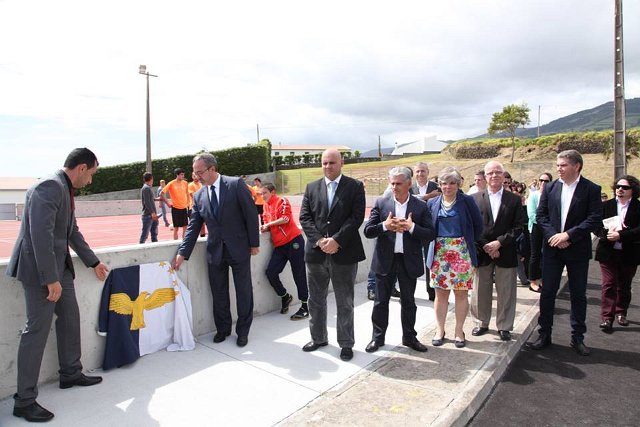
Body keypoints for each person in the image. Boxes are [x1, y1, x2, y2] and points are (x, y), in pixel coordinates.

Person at [6, 148, 109, 422]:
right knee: (36, 331)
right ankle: (24, 401)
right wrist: (49, 278)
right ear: (82, 168)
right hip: (40, 271)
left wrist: (93, 262)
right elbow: (40, 235)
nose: (90, 181)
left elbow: (70, 230)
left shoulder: (64, 189)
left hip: (59, 267)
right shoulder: (50, 186)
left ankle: (70, 373)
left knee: (70, 318)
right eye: (91, 174)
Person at [172, 153, 259, 347]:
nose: (196, 177)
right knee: (218, 293)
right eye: (194, 173)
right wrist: (182, 253)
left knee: (243, 291)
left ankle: (243, 331)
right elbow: (193, 227)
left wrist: (254, 244)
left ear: (212, 169)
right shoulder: (199, 195)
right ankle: (223, 329)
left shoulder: (235, 185)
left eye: (199, 172)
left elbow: (251, 214)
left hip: (239, 248)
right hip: (215, 252)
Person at [526, 150, 602, 356]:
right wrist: (555, 236)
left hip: (577, 249)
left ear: (577, 166)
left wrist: (568, 235)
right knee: (548, 293)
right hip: (552, 249)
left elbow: (594, 218)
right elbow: (541, 216)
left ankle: (577, 337)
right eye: (558, 165)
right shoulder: (550, 188)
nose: (559, 169)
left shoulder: (591, 189)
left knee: (578, 294)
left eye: (563, 165)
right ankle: (544, 334)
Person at [299, 148, 366, 362]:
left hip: (344, 254)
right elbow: (305, 218)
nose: (328, 166)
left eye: (332, 162)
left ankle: (346, 343)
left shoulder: (355, 187)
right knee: (315, 300)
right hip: (316, 255)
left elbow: (356, 218)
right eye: (324, 163)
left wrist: (336, 240)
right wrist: (320, 241)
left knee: (344, 301)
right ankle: (318, 338)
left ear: (342, 163)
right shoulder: (311, 187)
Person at [363, 166, 435, 353]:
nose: (394, 187)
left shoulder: (420, 206)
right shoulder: (381, 203)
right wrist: (385, 226)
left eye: (399, 184)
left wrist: (412, 228)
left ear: (409, 184)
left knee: (409, 302)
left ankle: (409, 338)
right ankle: (377, 338)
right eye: (392, 183)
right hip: (385, 261)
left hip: (408, 261)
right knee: (380, 302)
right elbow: (368, 231)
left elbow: (430, 233)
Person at [426, 167, 483, 348]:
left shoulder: (467, 201)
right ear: (439, 185)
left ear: (458, 184)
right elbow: (427, 228)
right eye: (444, 183)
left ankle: (459, 331)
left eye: (452, 183)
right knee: (440, 294)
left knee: (461, 293)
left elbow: (478, 226)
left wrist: (468, 244)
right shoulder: (432, 203)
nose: (448, 187)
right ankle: (440, 330)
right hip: (440, 253)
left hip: (461, 252)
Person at [470, 161, 526, 341]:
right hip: (482, 251)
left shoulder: (514, 200)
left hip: (506, 250)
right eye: (490, 173)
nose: (494, 175)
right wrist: (487, 245)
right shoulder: (474, 199)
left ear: (503, 175)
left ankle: (504, 326)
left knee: (506, 291)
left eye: (498, 172)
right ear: (485, 177)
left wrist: (499, 243)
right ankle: (481, 322)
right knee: (480, 290)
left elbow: (519, 226)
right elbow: (473, 226)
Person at [595, 175, 640, 332]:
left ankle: (621, 312)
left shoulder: (638, 207)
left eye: (625, 187)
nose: (620, 189)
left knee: (624, 285)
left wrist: (621, 235)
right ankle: (607, 317)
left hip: (629, 253)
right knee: (609, 284)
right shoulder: (605, 206)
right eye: (618, 187)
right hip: (607, 252)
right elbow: (595, 225)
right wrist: (605, 234)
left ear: (633, 190)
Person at [259, 182, 309, 320]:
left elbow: (285, 219)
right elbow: (266, 222)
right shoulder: (265, 206)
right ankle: (285, 296)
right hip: (280, 245)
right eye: (261, 194)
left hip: (294, 242)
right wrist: (265, 227)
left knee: (298, 274)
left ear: (273, 192)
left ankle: (305, 307)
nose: (262, 196)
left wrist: (268, 224)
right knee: (271, 272)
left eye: (265, 193)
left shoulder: (282, 201)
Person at [412, 161, 440, 301]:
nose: (420, 174)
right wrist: (428, 196)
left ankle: (432, 292)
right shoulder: (409, 188)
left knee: (431, 261)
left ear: (428, 172)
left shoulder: (437, 188)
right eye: (417, 171)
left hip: (430, 230)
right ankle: (409, 292)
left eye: (423, 171)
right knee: (411, 261)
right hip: (413, 230)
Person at [527, 172, 553, 293]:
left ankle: (543, 279)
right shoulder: (534, 195)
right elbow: (531, 214)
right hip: (536, 227)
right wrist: (543, 223)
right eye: (541, 180)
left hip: (548, 228)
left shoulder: (552, 195)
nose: (543, 183)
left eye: (546, 181)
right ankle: (533, 281)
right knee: (535, 255)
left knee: (546, 255)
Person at [162, 168, 190, 240]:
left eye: (183, 174)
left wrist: (188, 204)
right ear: (177, 175)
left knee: (185, 227)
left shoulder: (185, 183)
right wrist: (168, 203)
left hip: (184, 208)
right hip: (175, 208)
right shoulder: (171, 183)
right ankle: (175, 243)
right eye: (181, 174)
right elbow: (162, 193)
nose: (183, 176)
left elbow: (187, 194)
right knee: (176, 228)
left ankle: (184, 242)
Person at [139, 172, 159, 244]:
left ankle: (155, 246)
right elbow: (147, 202)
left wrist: (159, 199)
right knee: (145, 235)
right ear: (151, 179)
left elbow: (150, 199)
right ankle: (140, 247)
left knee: (154, 234)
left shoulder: (147, 188)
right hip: (148, 215)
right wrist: (152, 213)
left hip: (151, 215)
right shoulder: (146, 188)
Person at [188, 172, 206, 237]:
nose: (195, 177)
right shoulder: (190, 185)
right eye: (194, 176)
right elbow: (193, 196)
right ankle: (193, 239)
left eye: (196, 175)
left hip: (202, 207)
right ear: (192, 177)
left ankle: (203, 238)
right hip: (193, 207)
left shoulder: (201, 184)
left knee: (203, 225)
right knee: (194, 225)